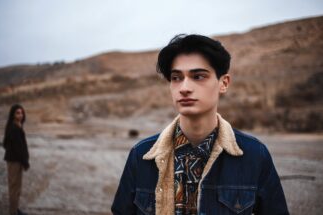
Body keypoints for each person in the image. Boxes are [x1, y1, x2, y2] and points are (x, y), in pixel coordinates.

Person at [111, 34, 289, 214]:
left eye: (198, 76)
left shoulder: (255, 155)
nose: (184, 88)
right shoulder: (141, 156)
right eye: (176, 78)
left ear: (223, 83)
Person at [3, 104, 29, 215]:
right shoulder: (13, 128)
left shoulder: (17, 126)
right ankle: (13, 212)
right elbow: (16, 147)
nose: (21, 115)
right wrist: (24, 161)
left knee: (17, 188)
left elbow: (8, 144)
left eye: (22, 113)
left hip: (17, 161)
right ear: (13, 114)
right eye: (18, 113)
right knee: (14, 189)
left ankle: (15, 210)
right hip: (14, 162)